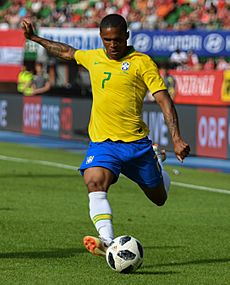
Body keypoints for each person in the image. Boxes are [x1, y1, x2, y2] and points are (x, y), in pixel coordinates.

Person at [22, 14, 190, 257]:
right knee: (94, 182)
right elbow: (66, 52)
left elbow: (164, 100)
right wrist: (35, 38)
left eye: (117, 40)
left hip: (136, 146)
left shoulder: (142, 62)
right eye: (107, 40)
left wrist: (176, 138)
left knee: (159, 197)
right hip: (103, 143)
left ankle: (157, 161)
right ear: (101, 38)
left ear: (127, 37)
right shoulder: (94, 58)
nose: (112, 45)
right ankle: (108, 241)